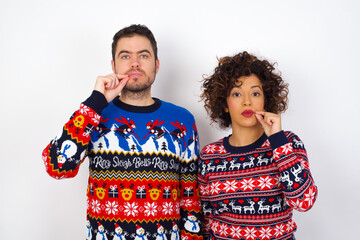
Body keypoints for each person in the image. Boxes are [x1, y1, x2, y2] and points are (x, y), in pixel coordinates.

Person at [42, 24, 202, 240]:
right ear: (113, 64)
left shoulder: (182, 120)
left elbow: (190, 199)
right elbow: (57, 166)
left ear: (156, 64)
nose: (135, 63)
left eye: (143, 55)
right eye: (125, 56)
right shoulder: (93, 115)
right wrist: (95, 102)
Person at [198, 51, 318, 240]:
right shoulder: (209, 156)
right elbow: (205, 220)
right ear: (225, 104)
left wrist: (277, 140)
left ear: (265, 99)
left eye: (255, 93)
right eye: (237, 94)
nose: (247, 101)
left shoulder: (287, 143)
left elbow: (305, 201)